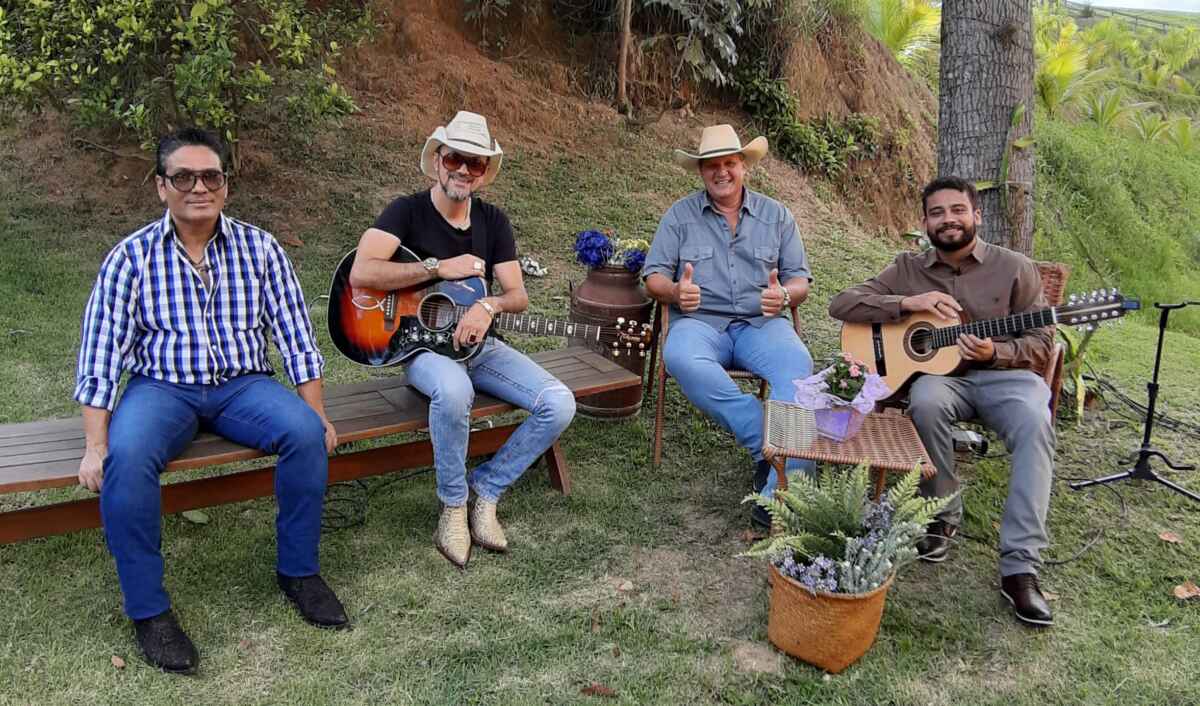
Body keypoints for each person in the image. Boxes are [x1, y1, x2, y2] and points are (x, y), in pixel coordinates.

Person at [75, 128, 349, 674]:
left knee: (303, 433)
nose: (198, 186)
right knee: (125, 461)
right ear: (161, 187)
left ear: (225, 184)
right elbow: (101, 354)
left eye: (211, 176)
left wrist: (315, 411)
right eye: (183, 176)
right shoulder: (129, 259)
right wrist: (94, 443)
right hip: (161, 387)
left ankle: (298, 571)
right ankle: (149, 612)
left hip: (241, 384)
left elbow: (296, 336)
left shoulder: (261, 248)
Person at [348, 111, 576, 569]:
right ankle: (453, 504)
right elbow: (361, 273)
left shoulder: (493, 222)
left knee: (560, 402)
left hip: (481, 347)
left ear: (483, 173)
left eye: (475, 164)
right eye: (456, 159)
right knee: (454, 391)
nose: (463, 171)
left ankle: (486, 489)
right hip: (419, 347)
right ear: (438, 160)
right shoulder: (405, 211)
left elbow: (518, 295)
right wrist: (435, 268)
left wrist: (486, 306)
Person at [828, 176, 1056, 627]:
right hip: (942, 381)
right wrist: (910, 302)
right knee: (926, 402)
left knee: (1035, 421)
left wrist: (998, 351)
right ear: (925, 222)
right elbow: (842, 304)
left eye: (957, 210)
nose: (948, 220)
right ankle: (941, 514)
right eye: (937, 213)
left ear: (976, 215)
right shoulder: (909, 268)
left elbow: (1044, 341)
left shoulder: (1014, 267)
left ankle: (1020, 566)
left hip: (1005, 378)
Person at [641, 124, 815, 527]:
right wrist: (674, 292)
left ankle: (778, 498)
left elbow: (800, 280)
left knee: (798, 366)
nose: (721, 172)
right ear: (701, 172)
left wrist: (785, 296)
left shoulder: (777, 216)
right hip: (701, 323)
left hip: (761, 324)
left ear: (744, 167)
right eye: (711, 166)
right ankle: (765, 440)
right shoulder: (680, 216)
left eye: (729, 163)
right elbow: (652, 277)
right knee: (681, 356)